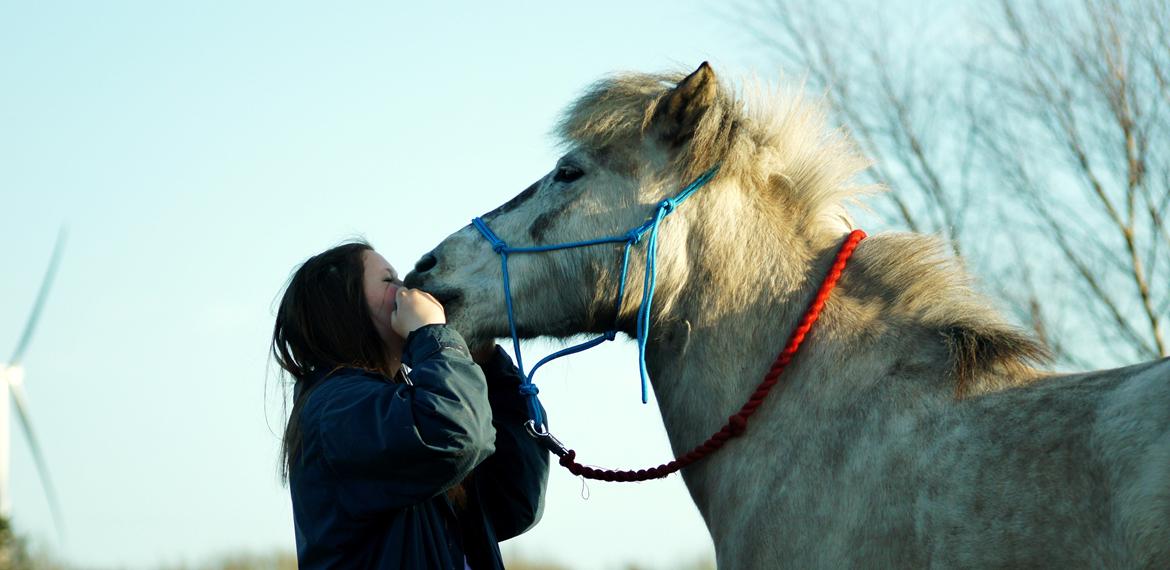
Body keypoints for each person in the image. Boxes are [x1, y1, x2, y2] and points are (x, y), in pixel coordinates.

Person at [271, 241, 550, 569]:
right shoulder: (335, 410)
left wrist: (488, 363)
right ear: (342, 309)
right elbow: (457, 433)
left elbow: (514, 504)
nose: (407, 290)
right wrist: (433, 335)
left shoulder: (400, 405)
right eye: (389, 281)